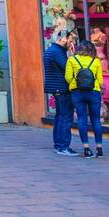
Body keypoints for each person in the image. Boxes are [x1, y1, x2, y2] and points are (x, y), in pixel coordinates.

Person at [67, 40, 105, 158]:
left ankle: (86, 148)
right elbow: (100, 80)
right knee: (96, 120)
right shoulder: (96, 61)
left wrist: (75, 84)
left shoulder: (72, 60)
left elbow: (68, 77)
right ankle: (99, 148)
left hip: (77, 92)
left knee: (82, 119)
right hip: (93, 92)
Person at [45, 28, 78, 156]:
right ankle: (63, 146)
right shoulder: (57, 52)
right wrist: (71, 55)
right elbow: (68, 69)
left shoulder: (53, 50)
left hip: (56, 87)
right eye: (70, 40)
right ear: (63, 39)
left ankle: (59, 144)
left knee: (59, 116)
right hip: (61, 88)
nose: (71, 43)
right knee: (65, 117)